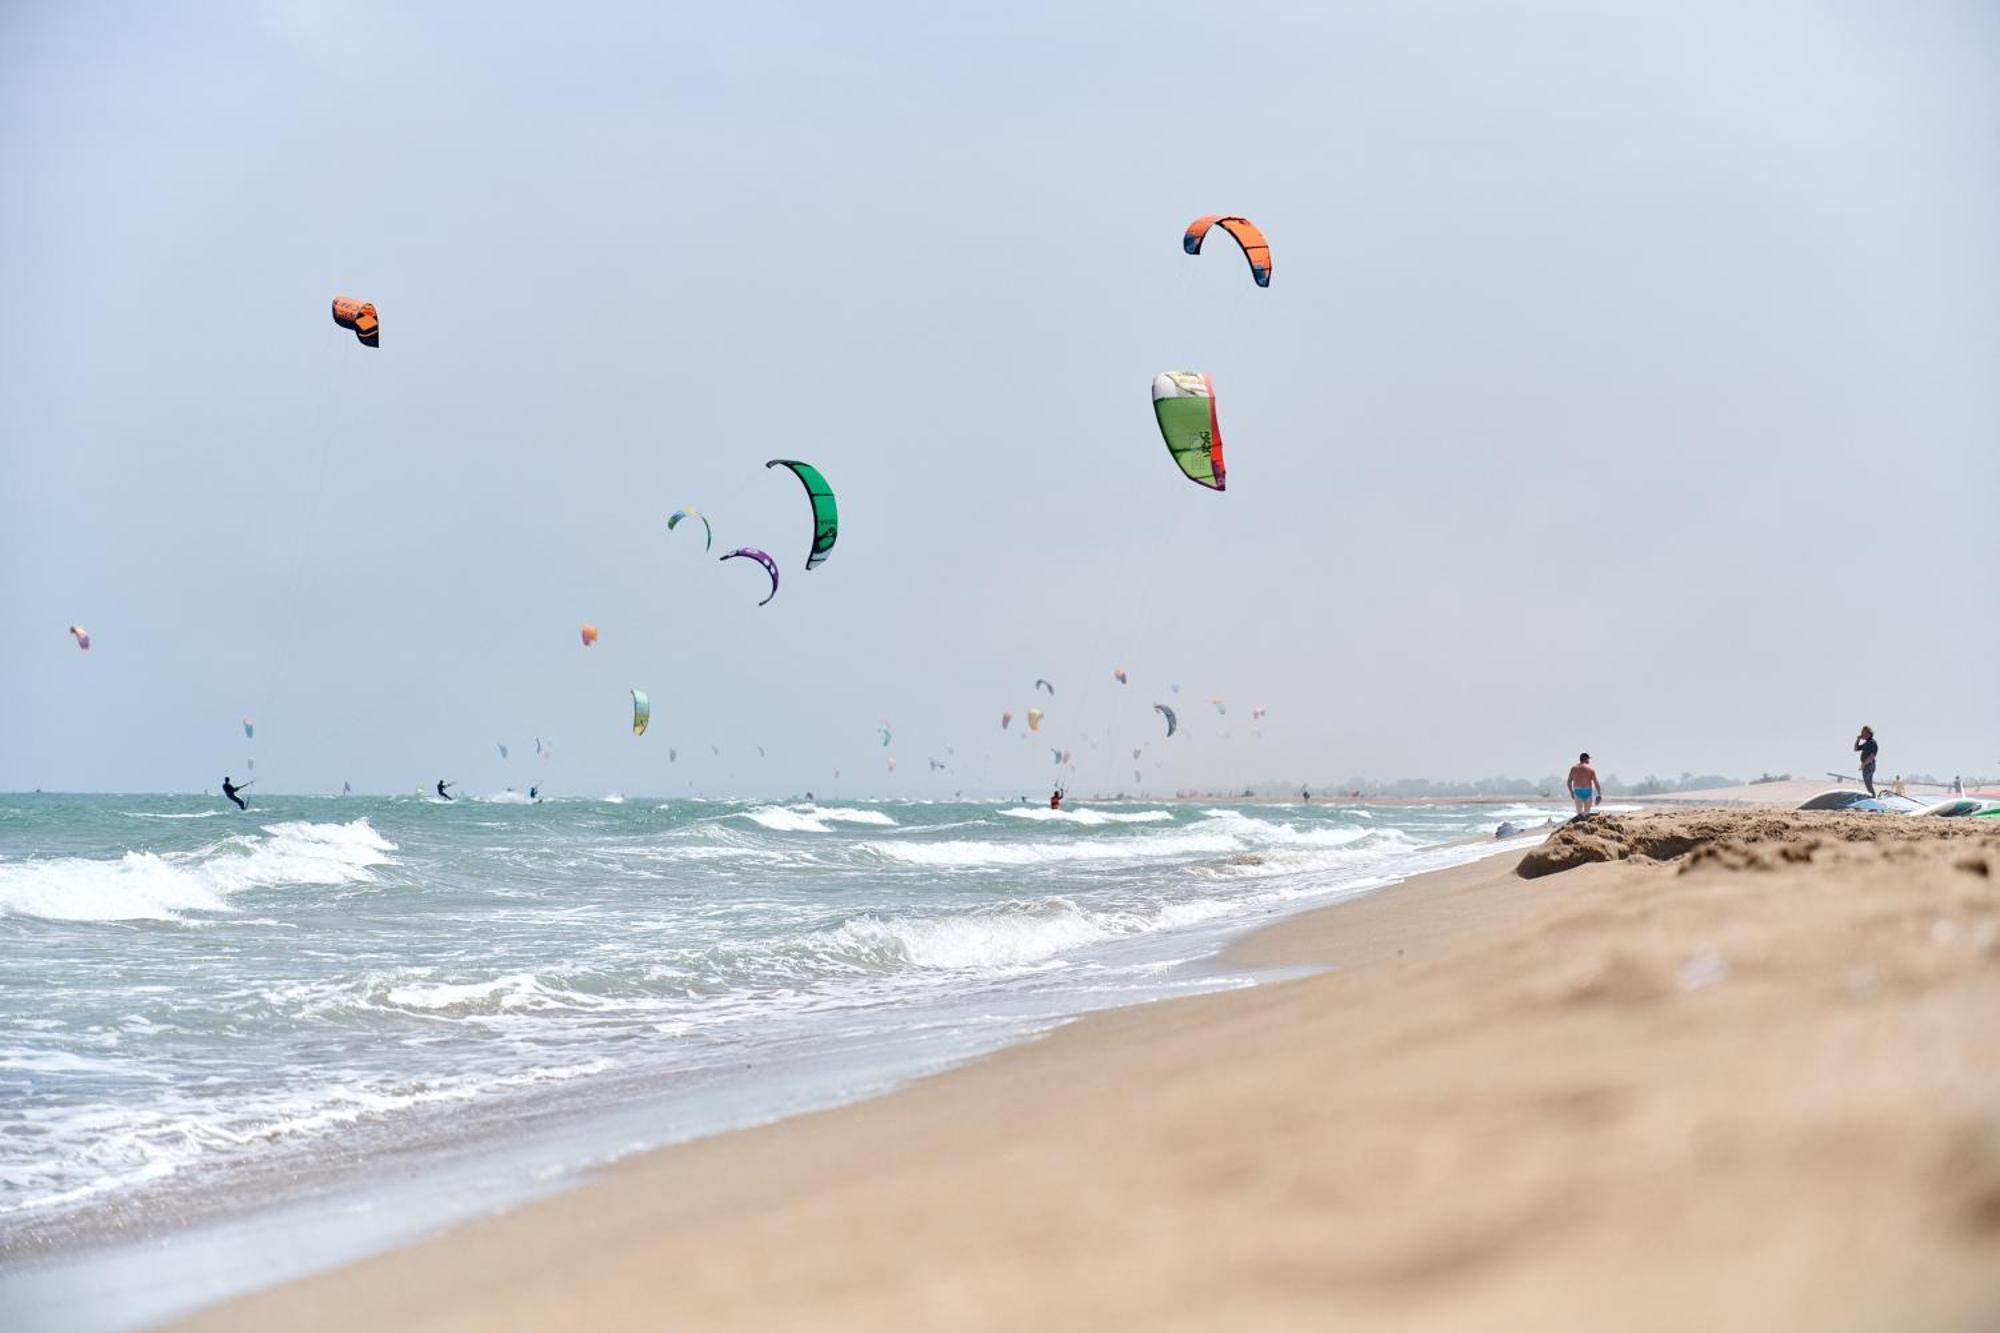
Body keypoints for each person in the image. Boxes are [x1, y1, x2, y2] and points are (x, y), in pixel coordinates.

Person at [1566, 753, 1600, 819]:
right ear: (1586, 759)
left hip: (1577, 791)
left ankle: (1580, 823)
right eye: (1588, 759)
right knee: (1586, 813)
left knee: (1579, 814)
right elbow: (1596, 782)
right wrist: (1599, 794)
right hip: (1588, 791)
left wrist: (1571, 791)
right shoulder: (1590, 769)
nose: (1589, 761)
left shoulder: (1574, 768)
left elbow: (1568, 782)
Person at [1854, 726, 1878, 796]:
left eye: (1863, 732)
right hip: (1867, 765)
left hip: (1869, 765)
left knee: (1868, 784)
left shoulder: (1872, 742)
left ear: (1868, 733)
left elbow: (1872, 756)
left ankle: (1873, 797)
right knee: (1868, 784)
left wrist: (1863, 764)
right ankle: (1872, 797)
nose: (1861, 734)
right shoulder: (1867, 743)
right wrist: (1858, 740)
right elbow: (1856, 749)